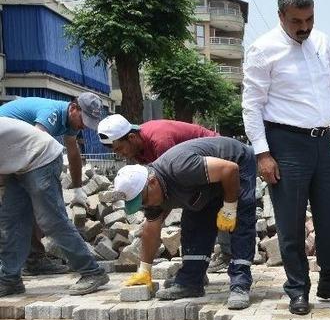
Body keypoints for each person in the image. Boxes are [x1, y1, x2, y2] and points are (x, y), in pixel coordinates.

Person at [242, 0, 330, 315]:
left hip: (323, 143)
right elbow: (251, 106)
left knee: (329, 216)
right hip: (285, 144)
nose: (304, 27)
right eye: (297, 21)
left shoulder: (321, 41)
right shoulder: (263, 50)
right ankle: (297, 288)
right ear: (281, 16)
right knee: (291, 222)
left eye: (309, 19)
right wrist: (263, 154)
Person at [114, 137, 257, 310]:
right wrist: (144, 270)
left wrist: (229, 206)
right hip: (206, 180)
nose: (146, 205)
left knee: (240, 222)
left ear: (152, 182)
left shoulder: (180, 167)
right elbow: (150, 229)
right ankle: (191, 282)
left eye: (144, 200)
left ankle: (240, 285)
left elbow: (229, 169)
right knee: (194, 222)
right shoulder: (150, 195)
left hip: (236, 163)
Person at [96, 114, 232, 273]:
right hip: (194, 169)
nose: (119, 154)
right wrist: (152, 220)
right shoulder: (138, 149)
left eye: (119, 148)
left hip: (218, 158)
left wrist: (155, 219)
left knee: (211, 209)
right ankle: (196, 271)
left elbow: (168, 187)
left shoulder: (160, 141)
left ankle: (224, 255)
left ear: (131, 137)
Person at [0, 118, 110, 297]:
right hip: (18, 165)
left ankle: (92, 271)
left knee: (50, 220)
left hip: (41, 157)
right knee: (10, 221)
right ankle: (9, 280)